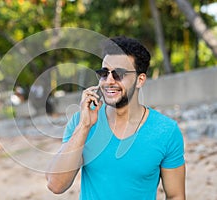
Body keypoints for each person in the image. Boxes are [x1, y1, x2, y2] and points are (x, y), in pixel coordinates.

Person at [45, 36, 186, 199]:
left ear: (140, 80)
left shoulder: (166, 131)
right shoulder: (81, 122)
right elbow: (55, 185)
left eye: (119, 74)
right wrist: (84, 127)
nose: (109, 81)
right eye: (104, 73)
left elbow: (176, 195)